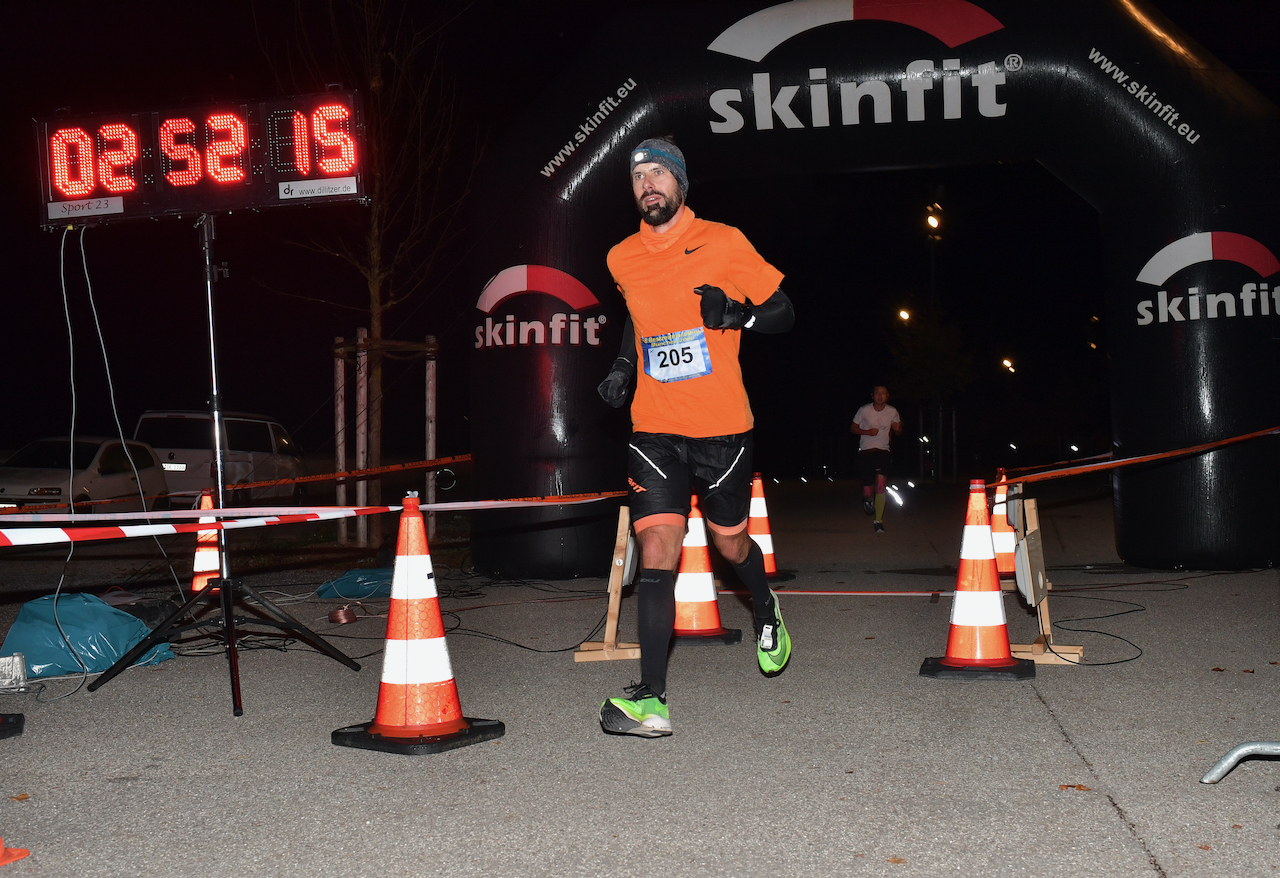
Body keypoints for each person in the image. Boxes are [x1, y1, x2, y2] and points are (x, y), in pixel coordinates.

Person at [594, 137, 796, 737]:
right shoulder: (621, 257)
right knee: (655, 548)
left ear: (682, 182)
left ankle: (765, 605)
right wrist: (624, 367)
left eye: (659, 174)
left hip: (723, 428)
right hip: (654, 427)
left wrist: (739, 315)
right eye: (638, 177)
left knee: (731, 548)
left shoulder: (726, 240)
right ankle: (650, 696)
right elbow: (637, 314)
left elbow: (784, 310)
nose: (648, 185)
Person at [850, 385, 902, 534]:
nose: (880, 396)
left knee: (880, 486)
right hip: (866, 451)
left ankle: (878, 521)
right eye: (877, 393)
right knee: (868, 490)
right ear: (872, 395)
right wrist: (867, 432)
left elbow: (898, 429)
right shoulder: (864, 410)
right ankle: (867, 499)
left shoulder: (892, 411)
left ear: (887, 396)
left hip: (883, 452)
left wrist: (898, 429)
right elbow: (853, 428)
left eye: (883, 393)